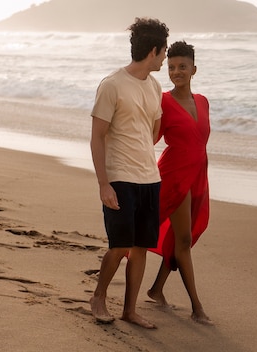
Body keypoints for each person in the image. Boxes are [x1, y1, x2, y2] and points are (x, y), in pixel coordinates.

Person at [89, 17, 169, 329]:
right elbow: (97, 135)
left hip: (150, 178)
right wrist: (103, 183)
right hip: (120, 178)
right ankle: (98, 296)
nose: (164, 58)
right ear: (153, 50)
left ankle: (130, 310)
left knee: (141, 247)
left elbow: (153, 128)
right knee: (120, 244)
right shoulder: (112, 85)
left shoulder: (154, 85)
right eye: (163, 52)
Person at [146, 41, 213, 325]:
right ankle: (197, 309)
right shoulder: (162, 101)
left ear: (193, 69)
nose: (176, 72)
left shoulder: (203, 101)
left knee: (179, 237)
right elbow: (150, 138)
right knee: (183, 240)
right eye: (171, 67)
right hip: (173, 175)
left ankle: (156, 289)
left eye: (182, 66)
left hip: (198, 175)